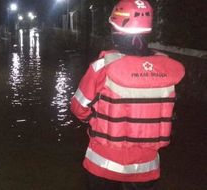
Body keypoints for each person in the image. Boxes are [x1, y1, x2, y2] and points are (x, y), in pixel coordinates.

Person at [70, 0, 185, 189]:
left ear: (115, 26)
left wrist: (97, 118)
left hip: (102, 166)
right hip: (146, 169)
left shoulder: (102, 67)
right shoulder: (166, 69)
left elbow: (78, 108)